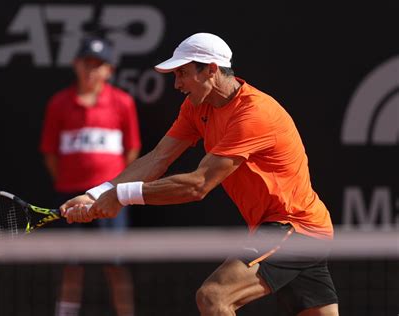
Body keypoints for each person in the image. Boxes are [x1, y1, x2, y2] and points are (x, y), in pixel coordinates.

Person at [60, 32, 339, 315]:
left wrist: (121, 195)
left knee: (214, 296)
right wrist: (95, 193)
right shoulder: (196, 107)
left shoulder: (254, 114)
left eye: (182, 73)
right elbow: (158, 158)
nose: (177, 84)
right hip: (291, 229)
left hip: (294, 228)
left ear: (211, 70)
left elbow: (199, 184)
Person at [39, 36, 141, 316]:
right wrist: (71, 184)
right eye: (87, 63)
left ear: (109, 70)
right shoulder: (58, 104)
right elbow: (50, 153)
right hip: (70, 196)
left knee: (116, 265)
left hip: (110, 199)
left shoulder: (123, 103)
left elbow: (132, 149)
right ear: (76, 65)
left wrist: (112, 187)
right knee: (71, 266)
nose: (91, 70)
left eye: (98, 65)